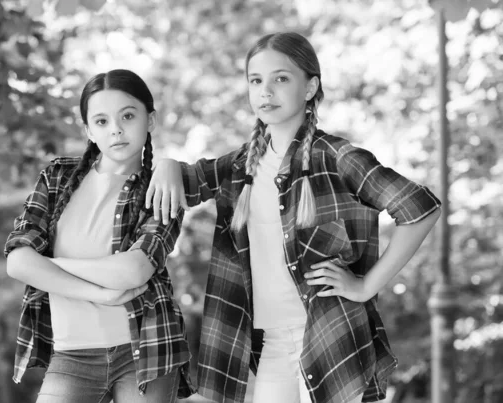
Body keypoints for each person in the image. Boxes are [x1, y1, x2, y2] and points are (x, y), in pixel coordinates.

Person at [145, 32, 441, 403]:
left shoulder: (336, 157)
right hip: (271, 342)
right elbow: (180, 185)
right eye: (256, 81)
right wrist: (168, 165)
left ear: (309, 87)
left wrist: (365, 286)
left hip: (331, 337)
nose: (265, 91)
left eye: (280, 78)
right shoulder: (240, 166)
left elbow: (420, 208)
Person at [4, 69, 194, 403]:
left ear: (150, 120)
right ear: (89, 131)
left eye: (128, 116)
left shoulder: (163, 189)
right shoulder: (57, 177)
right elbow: (18, 262)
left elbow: (134, 271)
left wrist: (49, 264)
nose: (116, 129)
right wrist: (99, 293)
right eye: (102, 121)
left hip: (146, 350)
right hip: (71, 353)